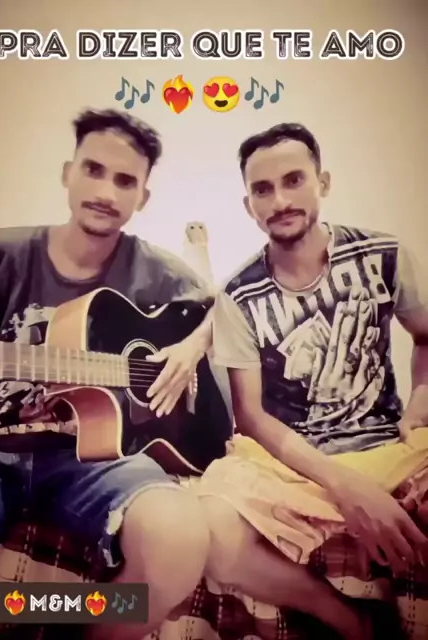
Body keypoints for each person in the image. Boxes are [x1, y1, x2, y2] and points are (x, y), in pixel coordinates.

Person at [0, 108, 228, 640]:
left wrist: (192, 347)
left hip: (99, 459)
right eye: (93, 170)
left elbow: (228, 311)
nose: (105, 191)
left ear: (142, 196)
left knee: (180, 540)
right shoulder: (2, 252)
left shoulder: (157, 271)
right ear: (67, 173)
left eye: (125, 181)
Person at [194, 123, 428, 639]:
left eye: (294, 180)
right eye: (263, 189)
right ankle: (347, 619)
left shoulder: (384, 254)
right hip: (288, 461)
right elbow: (250, 416)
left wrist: (420, 398)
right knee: (208, 529)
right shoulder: (237, 295)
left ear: (323, 182)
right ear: (249, 205)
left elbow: (425, 336)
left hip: (387, 444)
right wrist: (344, 486)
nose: (279, 200)